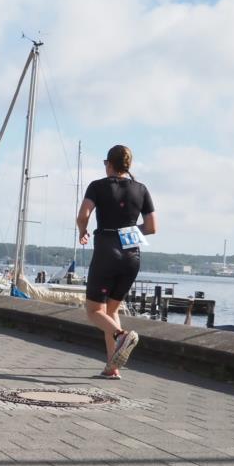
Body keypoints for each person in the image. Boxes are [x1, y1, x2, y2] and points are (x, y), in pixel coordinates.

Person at [76, 145, 157, 379]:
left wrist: (83, 230)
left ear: (109, 164)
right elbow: (152, 227)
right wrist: (128, 232)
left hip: (106, 252)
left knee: (93, 310)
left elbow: (83, 214)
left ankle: (122, 336)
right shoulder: (141, 189)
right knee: (110, 310)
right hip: (132, 256)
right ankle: (112, 367)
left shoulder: (98, 186)